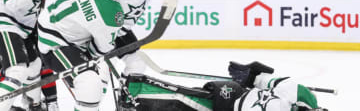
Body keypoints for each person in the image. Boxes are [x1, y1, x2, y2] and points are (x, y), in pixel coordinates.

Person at [36, 0, 168, 111]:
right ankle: (88, 97)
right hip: (102, 27)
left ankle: (123, 104)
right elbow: (99, 10)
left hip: (113, 28)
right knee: (97, 75)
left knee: (137, 63)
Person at [0, 0, 59, 111]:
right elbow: (11, 2)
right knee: (17, 71)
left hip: (24, 28)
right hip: (7, 24)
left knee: (35, 67)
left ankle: (33, 105)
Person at [119, 61, 326, 111]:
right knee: (183, 100)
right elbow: (265, 80)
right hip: (232, 98)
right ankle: (135, 89)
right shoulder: (303, 94)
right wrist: (250, 75)